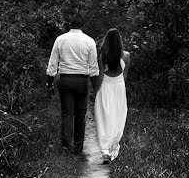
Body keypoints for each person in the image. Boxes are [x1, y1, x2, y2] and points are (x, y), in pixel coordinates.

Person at [46, 14, 99, 155]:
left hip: (65, 80)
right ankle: (78, 147)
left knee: (67, 114)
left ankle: (66, 148)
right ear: (83, 25)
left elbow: (52, 64)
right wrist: (95, 88)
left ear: (70, 24)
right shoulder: (89, 41)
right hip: (82, 81)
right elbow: (94, 68)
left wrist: (49, 84)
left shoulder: (60, 39)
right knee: (80, 115)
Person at [94, 28, 130, 164]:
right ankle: (113, 147)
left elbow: (101, 75)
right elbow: (125, 75)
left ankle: (105, 150)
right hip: (119, 88)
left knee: (104, 117)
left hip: (106, 87)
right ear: (119, 40)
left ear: (106, 41)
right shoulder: (126, 55)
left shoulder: (103, 55)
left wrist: (95, 91)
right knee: (118, 117)